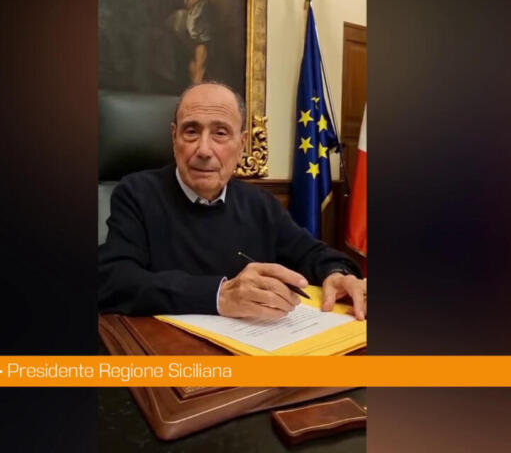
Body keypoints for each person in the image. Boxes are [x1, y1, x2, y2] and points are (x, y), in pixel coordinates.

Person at [98, 82, 367, 320]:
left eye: (220, 133)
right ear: (174, 137)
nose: (204, 150)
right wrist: (219, 295)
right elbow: (113, 281)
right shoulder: (137, 193)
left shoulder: (259, 203)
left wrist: (338, 274)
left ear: (241, 144)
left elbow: (313, 253)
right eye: (191, 131)